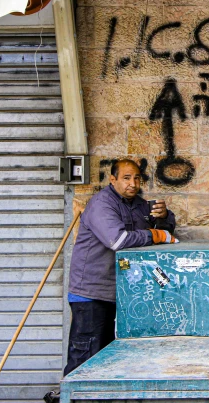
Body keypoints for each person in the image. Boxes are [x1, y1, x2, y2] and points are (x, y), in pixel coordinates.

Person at [64, 159, 178, 376]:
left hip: (121, 292)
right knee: (86, 357)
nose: (133, 183)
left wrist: (163, 218)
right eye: (126, 178)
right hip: (92, 294)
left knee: (109, 357)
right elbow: (116, 241)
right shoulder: (102, 204)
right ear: (113, 179)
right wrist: (154, 235)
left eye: (137, 178)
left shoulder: (137, 205)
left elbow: (165, 230)